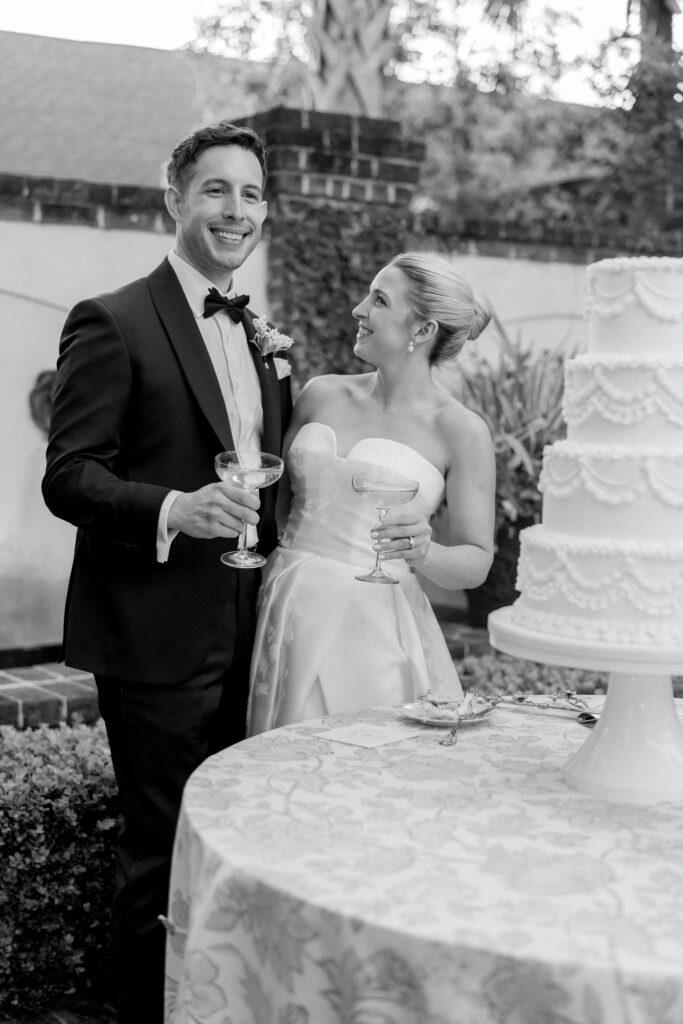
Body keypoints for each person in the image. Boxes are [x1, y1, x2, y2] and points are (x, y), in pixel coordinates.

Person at [42, 121, 292, 1024]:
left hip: (250, 627)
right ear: (176, 202)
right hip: (154, 632)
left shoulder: (260, 334)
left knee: (235, 847)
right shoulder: (112, 319)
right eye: (217, 190)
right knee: (161, 853)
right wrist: (172, 509)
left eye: (253, 193)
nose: (237, 210)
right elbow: (69, 476)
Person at [247, 251, 496, 735]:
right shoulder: (321, 393)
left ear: (422, 330)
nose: (359, 309)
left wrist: (424, 551)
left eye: (378, 300)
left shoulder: (461, 431)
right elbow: (271, 503)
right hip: (285, 603)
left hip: (374, 628)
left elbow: (476, 561)